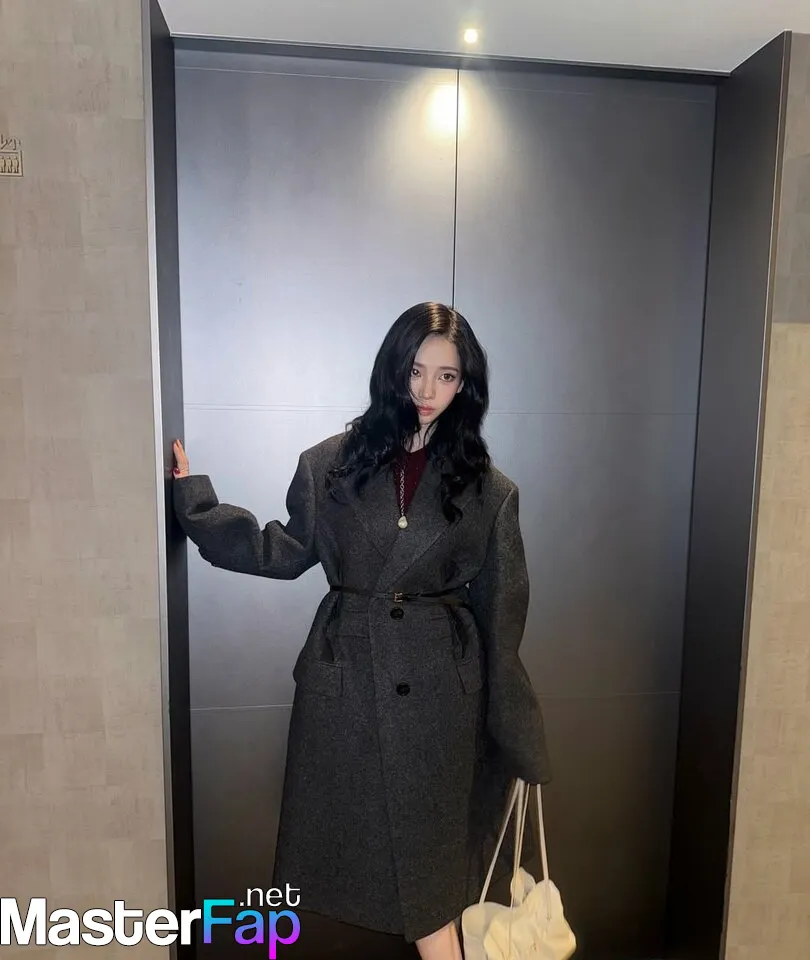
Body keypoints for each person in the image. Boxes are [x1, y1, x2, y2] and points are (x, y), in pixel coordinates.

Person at [172, 302, 550, 960]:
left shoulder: (490, 491)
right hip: (348, 689)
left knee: (433, 892)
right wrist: (195, 502)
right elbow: (283, 550)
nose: (428, 390)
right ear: (392, 369)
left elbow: (503, 621)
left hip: (441, 705)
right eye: (416, 370)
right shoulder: (330, 465)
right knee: (402, 887)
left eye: (447, 376)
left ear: (466, 386)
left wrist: (519, 740)